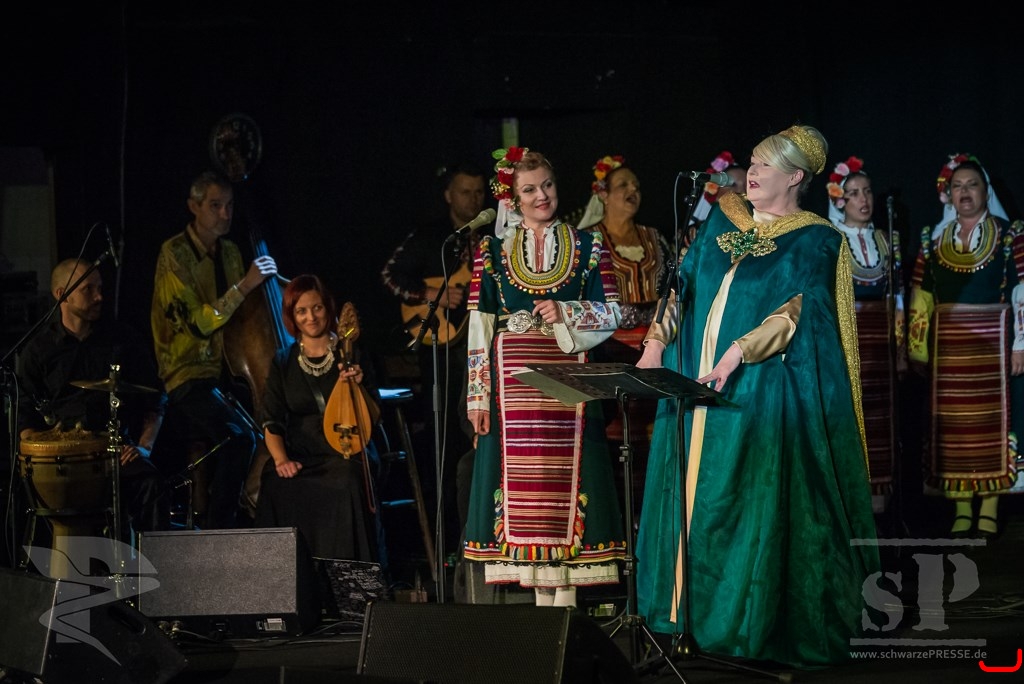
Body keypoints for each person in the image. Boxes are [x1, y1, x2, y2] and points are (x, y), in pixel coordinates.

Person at [635, 124, 879, 667]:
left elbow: (797, 313)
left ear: (795, 177)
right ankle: (678, 617)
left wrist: (737, 353)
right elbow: (682, 285)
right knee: (686, 496)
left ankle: (735, 626)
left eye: (766, 164)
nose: (752, 172)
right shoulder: (722, 219)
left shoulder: (816, 239)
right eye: (752, 160)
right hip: (687, 382)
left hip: (754, 390)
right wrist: (655, 343)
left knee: (735, 503)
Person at [463, 147, 625, 608]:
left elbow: (614, 312)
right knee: (524, 494)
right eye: (530, 189)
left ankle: (566, 613)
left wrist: (568, 311)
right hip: (512, 391)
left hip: (569, 386)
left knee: (567, 489)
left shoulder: (589, 246)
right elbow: (479, 327)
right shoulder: (492, 252)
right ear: (512, 198)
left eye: (547, 185)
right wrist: (478, 398)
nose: (542, 196)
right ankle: (543, 615)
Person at [151, 170, 278, 529]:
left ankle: (253, 510)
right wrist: (246, 285)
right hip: (186, 375)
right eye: (215, 206)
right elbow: (197, 324)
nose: (225, 214)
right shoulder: (174, 253)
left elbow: (242, 318)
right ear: (194, 207)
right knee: (239, 439)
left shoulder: (232, 252)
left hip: (225, 373)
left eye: (230, 205)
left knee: (263, 430)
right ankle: (220, 528)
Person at [907, 154, 1024, 538]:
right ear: (949, 195)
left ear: (986, 192)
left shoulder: (1009, 235)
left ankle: (989, 506)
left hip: (994, 347)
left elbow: (1022, 290)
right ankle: (960, 508)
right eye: (957, 186)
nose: (965, 192)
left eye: (972, 185)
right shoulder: (934, 240)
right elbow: (922, 297)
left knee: (993, 426)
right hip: (949, 352)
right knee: (953, 429)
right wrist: (917, 349)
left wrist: (1021, 344)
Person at [17, 257, 170, 544]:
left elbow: (155, 399)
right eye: (88, 289)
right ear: (62, 294)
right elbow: (23, 414)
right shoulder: (37, 350)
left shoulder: (123, 340)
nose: (99, 296)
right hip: (64, 463)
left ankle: (156, 570)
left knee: (151, 484)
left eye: (100, 287)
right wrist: (41, 455)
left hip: (115, 454)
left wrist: (144, 447)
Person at [380, 162, 488, 551]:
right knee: (446, 442)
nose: (473, 200)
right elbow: (390, 275)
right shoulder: (432, 237)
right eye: (465, 192)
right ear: (448, 195)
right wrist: (433, 295)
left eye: (479, 192)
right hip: (442, 350)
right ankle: (447, 541)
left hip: (479, 346)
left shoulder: (491, 235)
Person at [253, 274, 383, 563]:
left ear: (328, 308)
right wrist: (281, 460)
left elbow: (374, 416)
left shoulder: (351, 352)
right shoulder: (283, 360)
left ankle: (348, 577)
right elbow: (271, 420)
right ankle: (289, 577)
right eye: (301, 311)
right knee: (274, 480)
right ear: (292, 316)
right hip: (302, 453)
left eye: (317, 308)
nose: (311, 317)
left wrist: (359, 386)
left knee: (347, 480)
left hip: (346, 450)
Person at [576, 154, 672, 518]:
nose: (633, 190)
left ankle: (651, 519)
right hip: (610, 351)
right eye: (623, 185)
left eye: (636, 185)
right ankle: (619, 520)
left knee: (654, 434)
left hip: (656, 351)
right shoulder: (589, 240)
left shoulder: (653, 237)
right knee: (617, 436)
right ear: (602, 194)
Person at [826, 156, 906, 517]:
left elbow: (898, 297)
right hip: (848, 339)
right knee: (850, 415)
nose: (864, 199)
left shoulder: (887, 239)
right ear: (839, 200)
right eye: (854, 193)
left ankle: (881, 506)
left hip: (881, 342)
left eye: (868, 191)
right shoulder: (831, 240)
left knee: (882, 419)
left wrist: (900, 349)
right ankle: (850, 504)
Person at [683, 150, 748, 246]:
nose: (741, 191)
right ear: (715, 189)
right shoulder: (699, 232)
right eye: (732, 185)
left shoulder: (756, 226)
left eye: (747, 186)